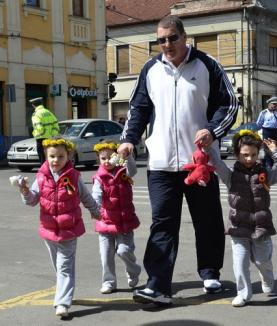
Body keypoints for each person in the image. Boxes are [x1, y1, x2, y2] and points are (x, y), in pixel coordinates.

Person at [118, 15, 239, 306]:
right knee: (162, 224)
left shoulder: (206, 64)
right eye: (161, 40)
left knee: (207, 219)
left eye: (172, 38)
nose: (167, 44)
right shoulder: (151, 69)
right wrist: (128, 140)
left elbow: (229, 104)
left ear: (185, 37)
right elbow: (138, 109)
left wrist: (212, 131)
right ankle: (157, 286)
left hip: (198, 161)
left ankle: (210, 273)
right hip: (160, 162)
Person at [16, 137, 100, 318]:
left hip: (69, 230)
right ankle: (65, 289)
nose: (56, 160)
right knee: (58, 266)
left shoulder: (74, 177)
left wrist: (95, 211)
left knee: (64, 267)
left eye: (60, 156)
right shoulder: (41, 177)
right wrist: (24, 191)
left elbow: (86, 197)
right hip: (49, 231)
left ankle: (62, 303)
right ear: (46, 156)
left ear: (68, 156)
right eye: (52, 156)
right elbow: (31, 200)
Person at [205, 130, 277, 307]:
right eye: (244, 155)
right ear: (237, 154)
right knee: (240, 263)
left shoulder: (264, 174)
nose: (249, 159)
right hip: (238, 227)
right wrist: (208, 148)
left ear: (258, 154)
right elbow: (217, 163)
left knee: (262, 261)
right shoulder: (231, 176)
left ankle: (267, 278)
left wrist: (275, 152)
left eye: (253, 155)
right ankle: (243, 294)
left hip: (261, 226)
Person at [91, 141, 141, 294]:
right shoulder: (99, 178)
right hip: (106, 223)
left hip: (125, 222)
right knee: (106, 255)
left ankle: (133, 271)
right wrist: (95, 208)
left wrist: (128, 156)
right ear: (99, 159)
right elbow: (96, 196)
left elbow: (133, 170)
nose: (107, 161)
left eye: (109, 157)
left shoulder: (123, 170)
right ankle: (109, 282)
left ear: (116, 157)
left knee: (124, 250)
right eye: (103, 158)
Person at [30, 97, 60, 164]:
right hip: (50, 138)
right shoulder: (48, 112)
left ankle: (44, 171)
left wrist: (36, 134)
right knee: (49, 155)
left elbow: (38, 126)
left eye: (32, 104)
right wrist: (53, 134)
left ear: (33, 105)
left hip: (41, 138)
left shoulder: (36, 114)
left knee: (42, 157)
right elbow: (55, 124)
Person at [256, 96, 277, 169]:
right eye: (273, 104)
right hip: (267, 131)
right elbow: (258, 123)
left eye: (275, 104)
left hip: (275, 131)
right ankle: (268, 164)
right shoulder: (263, 112)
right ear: (269, 104)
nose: (274, 105)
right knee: (267, 148)